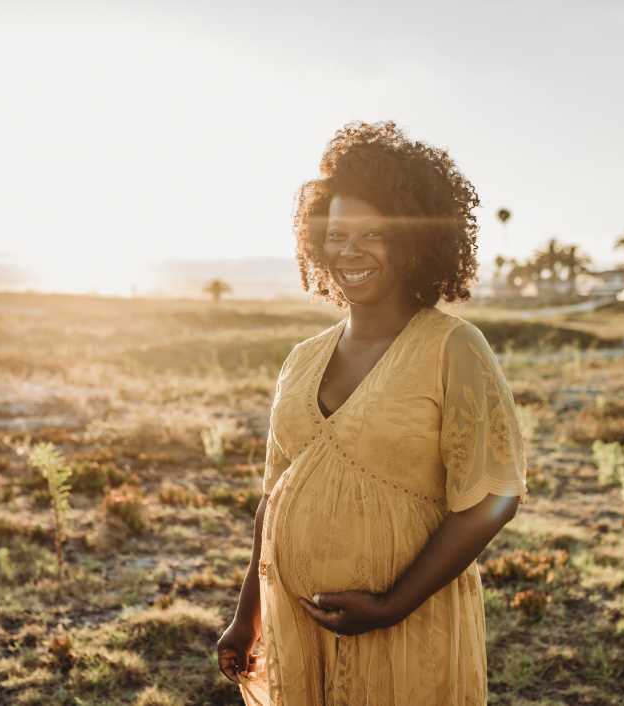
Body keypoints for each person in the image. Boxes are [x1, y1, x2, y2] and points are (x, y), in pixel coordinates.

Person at [216, 120, 529, 706]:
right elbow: (274, 498)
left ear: (413, 242)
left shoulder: (453, 347)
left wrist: (391, 605)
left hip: (410, 627)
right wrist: (247, 616)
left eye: (373, 234)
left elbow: (492, 500)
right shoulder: (302, 359)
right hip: (300, 629)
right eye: (336, 235)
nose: (349, 251)